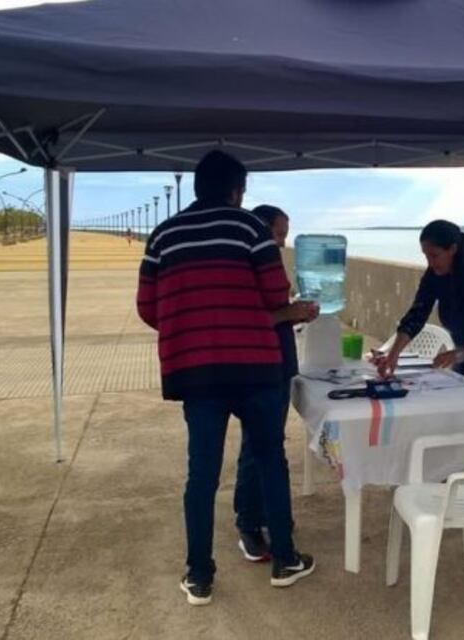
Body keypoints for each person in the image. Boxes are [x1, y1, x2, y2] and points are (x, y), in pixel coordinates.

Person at [136, 151, 315, 606]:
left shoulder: (163, 235)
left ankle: (199, 576)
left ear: (198, 186)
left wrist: (192, 328)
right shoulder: (250, 229)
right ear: (237, 191)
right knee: (269, 459)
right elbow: (276, 293)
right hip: (255, 368)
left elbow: (147, 307)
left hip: (196, 374)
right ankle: (285, 560)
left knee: (202, 474)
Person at [232, 204, 317, 561]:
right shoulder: (246, 265)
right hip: (261, 368)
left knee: (265, 445)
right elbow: (249, 320)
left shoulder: (262, 262)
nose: (282, 243)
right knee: (259, 447)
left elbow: (272, 314)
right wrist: (290, 312)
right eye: (279, 234)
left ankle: (266, 513)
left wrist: (295, 313)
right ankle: (249, 524)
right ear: (261, 230)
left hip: (277, 365)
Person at [376, 219, 464, 392]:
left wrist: (461, 352)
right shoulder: (434, 274)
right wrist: (393, 355)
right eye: (426, 256)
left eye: (434, 255)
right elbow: (417, 314)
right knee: (458, 398)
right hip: (463, 352)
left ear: (452, 249)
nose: (430, 262)